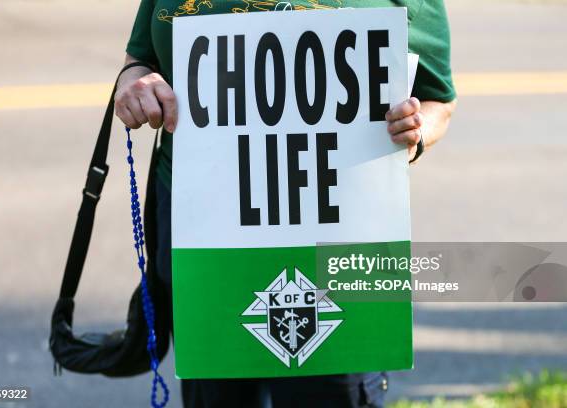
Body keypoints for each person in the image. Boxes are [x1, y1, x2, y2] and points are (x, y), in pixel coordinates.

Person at [114, 0, 457, 406]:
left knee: (332, 393)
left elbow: (439, 100)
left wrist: (415, 132)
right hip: (207, 236)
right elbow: (139, 60)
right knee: (219, 393)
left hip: (338, 236)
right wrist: (135, 86)